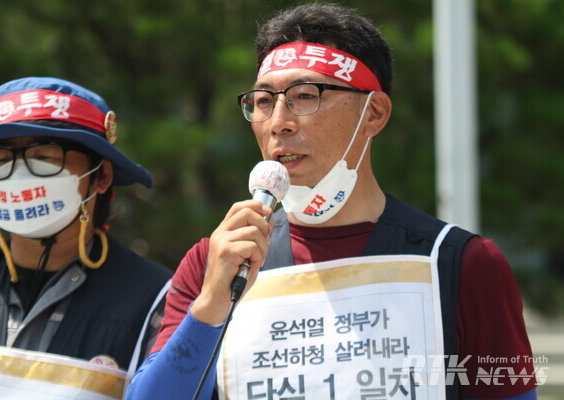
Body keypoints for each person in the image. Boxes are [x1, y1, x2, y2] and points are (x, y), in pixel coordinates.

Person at [126, 3, 537, 400]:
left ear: (373, 113)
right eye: (264, 101)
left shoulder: (463, 264)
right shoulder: (214, 262)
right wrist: (211, 306)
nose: (278, 122)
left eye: (305, 95)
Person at [0, 77, 173, 385]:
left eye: (44, 157)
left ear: (101, 176)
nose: (18, 175)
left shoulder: (158, 300)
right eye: (1, 159)